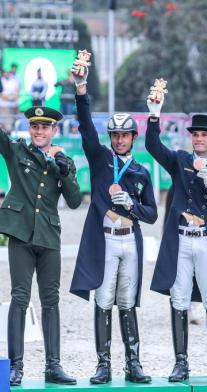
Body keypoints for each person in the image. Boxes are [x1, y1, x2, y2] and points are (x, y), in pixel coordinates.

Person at [69, 61, 157, 384]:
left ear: (134, 137)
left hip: (129, 238)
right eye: (115, 135)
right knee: (104, 298)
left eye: (125, 135)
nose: (119, 140)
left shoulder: (141, 173)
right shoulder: (100, 157)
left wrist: (132, 206)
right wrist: (82, 90)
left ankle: (133, 362)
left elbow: (151, 215)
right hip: (104, 238)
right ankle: (103, 363)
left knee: (128, 300)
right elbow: (86, 127)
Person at [145, 89, 207, 382]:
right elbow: (153, 147)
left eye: (205, 135)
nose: (198, 138)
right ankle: (181, 362)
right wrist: (154, 115)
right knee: (179, 298)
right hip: (182, 238)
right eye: (195, 134)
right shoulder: (181, 159)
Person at [0, 106, 82, 386]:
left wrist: (65, 170)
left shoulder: (62, 161)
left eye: (44, 127)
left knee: (51, 300)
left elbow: (73, 200)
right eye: (34, 126)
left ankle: (53, 366)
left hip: (48, 237)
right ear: (29, 128)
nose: (39, 131)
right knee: (20, 298)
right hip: (21, 234)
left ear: (54, 131)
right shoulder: (16, 150)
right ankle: (15, 366)